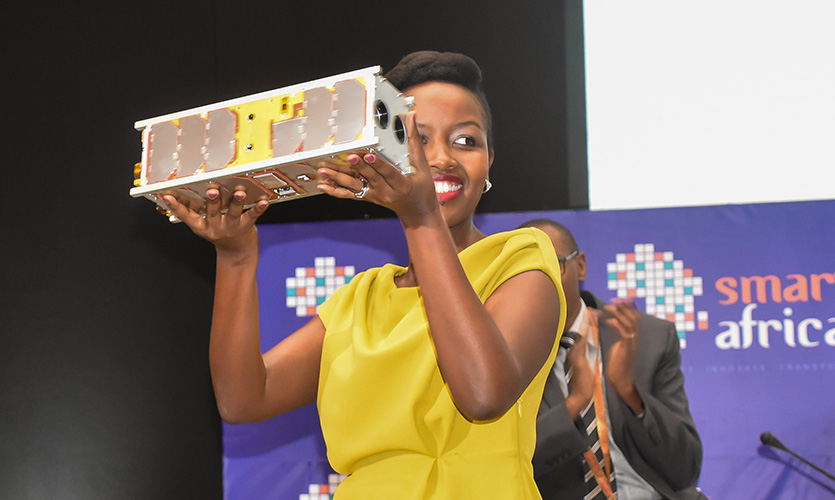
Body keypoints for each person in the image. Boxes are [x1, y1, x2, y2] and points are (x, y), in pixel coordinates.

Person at [162, 52, 565, 499]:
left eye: (466, 141)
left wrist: (420, 218)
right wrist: (236, 258)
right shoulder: (363, 297)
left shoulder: (521, 257)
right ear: (380, 155)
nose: (442, 158)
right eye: (415, 139)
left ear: (490, 160)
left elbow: (484, 395)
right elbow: (242, 400)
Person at [519, 219, 707, 500]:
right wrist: (575, 402)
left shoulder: (648, 338)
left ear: (580, 265)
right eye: (523, 270)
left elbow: (685, 469)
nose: (540, 279)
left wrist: (628, 390)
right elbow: (515, 465)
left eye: (552, 263)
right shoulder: (508, 354)